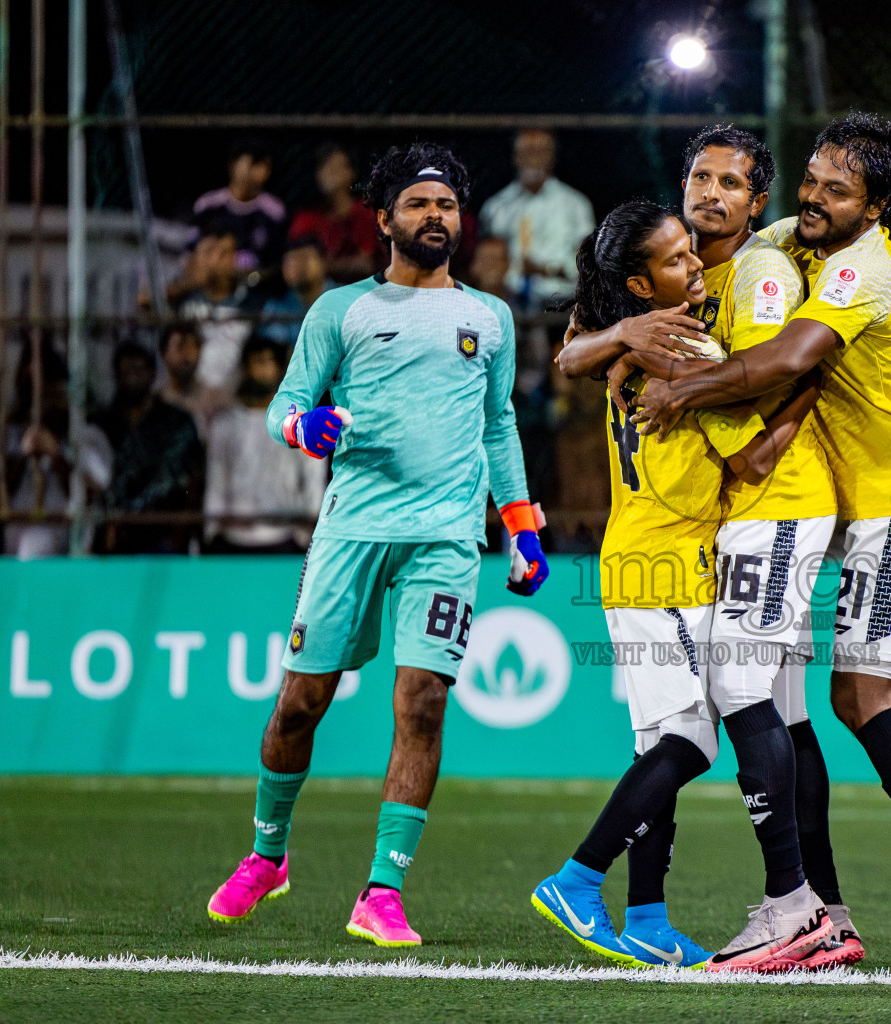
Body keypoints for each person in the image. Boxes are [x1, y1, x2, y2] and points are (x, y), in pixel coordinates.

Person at [622, 112, 891, 968]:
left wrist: (684, 388)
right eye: (811, 180)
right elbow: (747, 238)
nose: (815, 199)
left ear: (878, 205)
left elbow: (787, 359)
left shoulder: (861, 267)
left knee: (856, 695)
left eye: (836, 190)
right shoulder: (797, 234)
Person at [205, 142, 548, 948]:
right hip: (351, 529)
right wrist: (303, 425)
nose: (438, 216)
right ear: (386, 218)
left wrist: (521, 524)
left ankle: (382, 891)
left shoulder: (488, 317)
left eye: (449, 205)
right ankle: (269, 855)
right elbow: (282, 404)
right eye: (421, 204)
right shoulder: (339, 310)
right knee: (302, 703)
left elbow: (498, 426)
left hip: (446, 537)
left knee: (423, 703)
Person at [583, 125, 862, 971]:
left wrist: (721, 399)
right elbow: (572, 351)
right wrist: (626, 342)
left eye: (730, 182)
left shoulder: (763, 271)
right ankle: (811, 911)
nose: (710, 193)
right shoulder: (655, 286)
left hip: (767, 507)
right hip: (707, 531)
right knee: (767, 709)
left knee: (739, 705)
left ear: (756, 201)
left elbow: (780, 370)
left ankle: (797, 907)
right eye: (698, 177)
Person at [536, 198, 829, 973]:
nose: (695, 263)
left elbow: (574, 351)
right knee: (691, 739)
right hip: (663, 564)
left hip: (649, 555)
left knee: (657, 743)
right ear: (640, 285)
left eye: (690, 252)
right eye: (674, 260)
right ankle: (577, 878)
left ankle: (648, 916)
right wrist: (813, 382)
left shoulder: (631, 338)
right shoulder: (686, 347)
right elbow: (754, 462)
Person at [204, 336, 328, 553]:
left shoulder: (300, 423)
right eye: (255, 361)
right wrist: (211, 532)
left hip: (286, 537)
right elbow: (216, 480)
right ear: (245, 368)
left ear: (279, 369)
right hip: (233, 539)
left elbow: (313, 479)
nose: (261, 369)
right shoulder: (225, 424)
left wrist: (308, 535)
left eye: (268, 361)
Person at [92, 341, 205, 554]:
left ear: (153, 373)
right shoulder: (102, 424)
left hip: (164, 536)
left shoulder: (177, 422)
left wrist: (181, 534)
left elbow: (194, 480)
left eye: (139, 369)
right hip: (112, 537)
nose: (132, 376)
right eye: (125, 370)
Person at [3, 348, 111, 559]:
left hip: (68, 544)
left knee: (34, 544)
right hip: (12, 548)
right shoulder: (13, 433)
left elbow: (95, 489)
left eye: (53, 391)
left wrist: (57, 454)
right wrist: (23, 455)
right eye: (39, 392)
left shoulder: (88, 436)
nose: (47, 401)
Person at [479, 129, 595, 311]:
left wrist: (547, 269)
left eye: (539, 152)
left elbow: (588, 261)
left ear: (552, 157)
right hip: (512, 301)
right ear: (515, 157)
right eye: (527, 152)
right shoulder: (496, 206)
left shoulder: (575, 205)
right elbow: (486, 262)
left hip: (564, 301)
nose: (533, 159)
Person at [177, 229, 258, 395]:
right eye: (210, 253)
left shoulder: (252, 300)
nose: (218, 260)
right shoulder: (183, 299)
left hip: (235, 397)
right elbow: (143, 302)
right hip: (190, 394)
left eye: (226, 253)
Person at [192, 137, 287, 277]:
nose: (259, 172)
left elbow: (276, 261)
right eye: (253, 163)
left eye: (265, 166)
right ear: (234, 165)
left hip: (257, 285)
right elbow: (191, 251)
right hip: (211, 282)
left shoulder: (275, 211)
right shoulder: (207, 205)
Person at [287, 143, 380, 283]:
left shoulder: (366, 212)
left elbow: (367, 265)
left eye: (338, 167)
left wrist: (324, 266)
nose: (331, 173)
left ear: (352, 172)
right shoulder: (307, 218)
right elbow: (296, 265)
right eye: (326, 167)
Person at [156, 321, 227, 440]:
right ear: (164, 353)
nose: (186, 354)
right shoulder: (156, 403)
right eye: (180, 346)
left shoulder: (216, 400)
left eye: (193, 346)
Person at [260, 237, 335, 349]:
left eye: (304, 258)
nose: (296, 266)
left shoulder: (347, 301)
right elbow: (274, 351)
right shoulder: (275, 307)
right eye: (289, 261)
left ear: (323, 262)